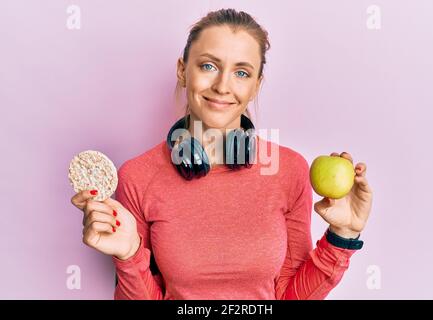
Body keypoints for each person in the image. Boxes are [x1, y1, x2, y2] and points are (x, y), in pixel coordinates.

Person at [71, 8, 373, 300]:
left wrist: (342, 234)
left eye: (241, 72)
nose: (222, 86)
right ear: (182, 70)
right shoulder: (138, 176)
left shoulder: (288, 170)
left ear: (256, 86)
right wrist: (129, 255)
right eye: (208, 66)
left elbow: (290, 297)